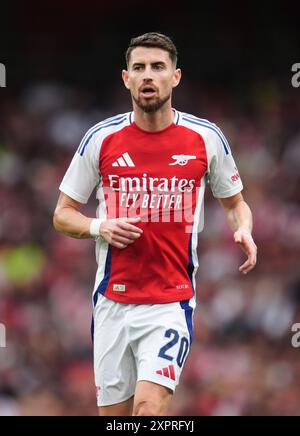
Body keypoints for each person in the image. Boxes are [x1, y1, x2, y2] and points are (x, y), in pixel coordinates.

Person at [53, 32, 257, 416]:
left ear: (175, 77)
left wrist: (242, 228)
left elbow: (236, 203)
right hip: (112, 303)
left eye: (158, 67)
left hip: (170, 302)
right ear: (126, 78)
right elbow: (62, 214)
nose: (149, 76)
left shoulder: (205, 137)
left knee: (148, 409)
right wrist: (101, 227)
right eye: (139, 68)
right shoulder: (100, 139)